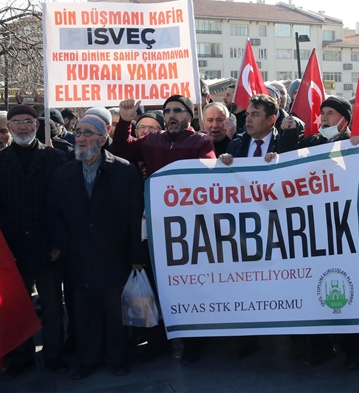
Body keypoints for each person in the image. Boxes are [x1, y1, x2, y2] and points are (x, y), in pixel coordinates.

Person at [112, 95, 215, 365]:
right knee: (158, 287)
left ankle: (194, 343)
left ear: (189, 116)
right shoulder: (151, 141)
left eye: (177, 111)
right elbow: (121, 151)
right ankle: (159, 341)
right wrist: (125, 120)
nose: (171, 115)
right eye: (167, 111)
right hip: (155, 227)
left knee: (188, 287)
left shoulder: (200, 142)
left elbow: (210, 175)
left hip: (188, 230)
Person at [47, 116, 146, 380]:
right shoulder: (63, 174)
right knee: (84, 313)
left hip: (115, 256)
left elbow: (135, 216)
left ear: (102, 139)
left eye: (88, 133)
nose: (80, 138)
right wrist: (65, 243)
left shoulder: (124, 171)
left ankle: (117, 359)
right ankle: (88, 360)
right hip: (78, 257)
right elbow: (54, 214)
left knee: (115, 314)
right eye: (78, 132)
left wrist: (136, 256)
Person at [0, 103, 70, 379]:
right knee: (17, 307)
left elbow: (62, 206)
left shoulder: (57, 158)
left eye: (28, 122)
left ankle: (54, 354)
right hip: (12, 248)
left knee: (53, 307)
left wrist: (59, 242)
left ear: (37, 125)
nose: (22, 127)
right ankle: (21, 356)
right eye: (17, 122)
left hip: (48, 247)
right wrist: (2, 247)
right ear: (9, 127)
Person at [218, 93, 299, 361]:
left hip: (281, 228)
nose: (248, 119)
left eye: (254, 114)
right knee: (248, 284)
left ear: (271, 119)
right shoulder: (238, 145)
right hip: (247, 231)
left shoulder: (285, 142)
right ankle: (248, 339)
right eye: (248, 114)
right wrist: (226, 163)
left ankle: (298, 338)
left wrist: (284, 160)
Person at [295, 96, 359, 369]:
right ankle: (320, 348)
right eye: (321, 113)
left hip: (344, 228)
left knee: (344, 288)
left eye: (330, 113)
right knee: (314, 288)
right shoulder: (310, 144)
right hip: (313, 227)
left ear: (345, 119)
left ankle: (351, 350)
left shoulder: (354, 142)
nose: (323, 117)